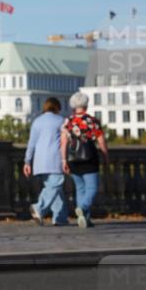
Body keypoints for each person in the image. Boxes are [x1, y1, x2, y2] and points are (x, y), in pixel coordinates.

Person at [61, 92, 110, 229]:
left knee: (80, 189)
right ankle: (83, 208)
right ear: (86, 105)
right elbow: (101, 141)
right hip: (89, 158)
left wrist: (64, 160)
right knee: (92, 188)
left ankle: (84, 219)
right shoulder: (92, 121)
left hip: (73, 159)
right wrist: (106, 156)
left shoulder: (68, 122)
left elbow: (63, 143)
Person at [23, 97, 68, 225]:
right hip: (55, 159)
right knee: (55, 184)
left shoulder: (37, 122)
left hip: (39, 161)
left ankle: (60, 218)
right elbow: (65, 141)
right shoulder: (61, 121)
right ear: (57, 107)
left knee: (54, 188)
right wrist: (66, 159)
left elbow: (31, 143)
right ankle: (39, 207)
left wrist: (27, 161)